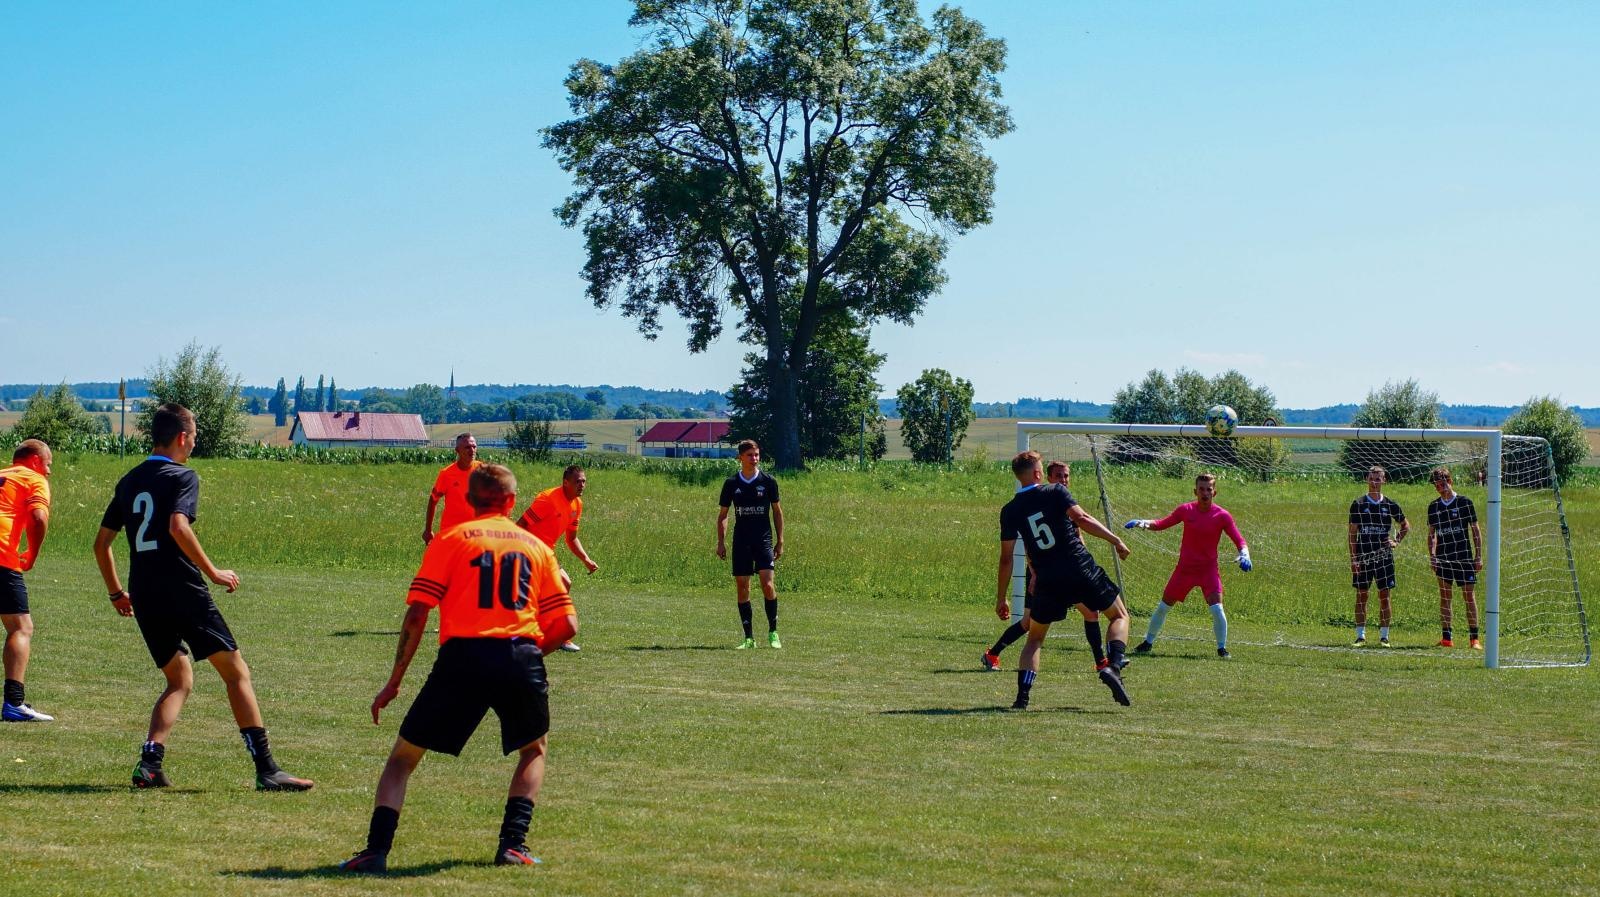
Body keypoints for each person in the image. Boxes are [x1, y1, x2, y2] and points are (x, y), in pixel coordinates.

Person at [339, 464, 576, 873]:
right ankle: (513, 846)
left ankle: (376, 850)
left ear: (468, 499)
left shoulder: (451, 540)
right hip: (520, 654)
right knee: (533, 750)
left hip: (462, 657)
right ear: (512, 501)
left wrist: (394, 682)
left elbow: (417, 616)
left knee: (402, 759)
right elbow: (567, 625)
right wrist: (530, 656)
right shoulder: (537, 548)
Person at [92, 403, 313, 791]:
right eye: (193, 437)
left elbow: (101, 544)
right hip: (182, 588)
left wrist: (115, 593)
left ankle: (150, 764)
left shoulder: (128, 480)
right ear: (181, 437)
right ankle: (267, 769)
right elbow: (178, 526)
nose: (193, 445)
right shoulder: (183, 476)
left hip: (144, 591)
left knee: (179, 680)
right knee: (236, 673)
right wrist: (213, 572)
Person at [996, 451, 1132, 710]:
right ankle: (1113, 666)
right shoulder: (1056, 492)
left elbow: (1006, 559)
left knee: (1035, 638)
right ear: (1039, 474)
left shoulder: (1010, 510)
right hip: (1079, 567)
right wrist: (1115, 540)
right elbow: (1082, 518)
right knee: (1119, 615)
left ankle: (1022, 698)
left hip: (1047, 578)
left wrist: (1001, 597)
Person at [1127, 473, 1251, 659]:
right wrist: (1142, 522)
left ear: (1214, 492)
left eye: (1208, 489)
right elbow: (1162, 524)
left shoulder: (1222, 516)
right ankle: (1148, 642)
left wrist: (1244, 554)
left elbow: (1239, 539)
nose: (1205, 493)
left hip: (1208, 571)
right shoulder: (1185, 510)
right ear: (1195, 491)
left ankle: (1222, 649)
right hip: (1184, 570)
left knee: (1217, 608)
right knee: (1163, 607)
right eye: (1201, 489)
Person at [516, 464, 597, 652]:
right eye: (578, 481)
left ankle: (553, 634)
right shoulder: (548, 499)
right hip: (530, 550)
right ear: (565, 482)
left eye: (584, 481)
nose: (582, 485)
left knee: (563, 584)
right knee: (557, 585)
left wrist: (585, 559)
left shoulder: (577, 505)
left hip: (547, 553)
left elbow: (571, 538)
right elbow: (520, 525)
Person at [1, 439, 54, 722]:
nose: (49, 472)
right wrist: (32, 554)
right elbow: (37, 518)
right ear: (35, 461)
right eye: (48, 464)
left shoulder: (3, 475)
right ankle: (13, 703)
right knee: (21, 627)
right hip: (1, 556)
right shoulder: (33, 478)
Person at [716, 440, 783, 649]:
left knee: (767, 584)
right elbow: (723, 515)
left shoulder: (769, 481)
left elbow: (777, 512)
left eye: (756, 455)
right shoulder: (731, 483)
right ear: (740, 458)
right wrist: (721, 542)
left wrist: (780, 541)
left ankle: (773, 632)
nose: (754, 459)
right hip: (741, 541)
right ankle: (749, 638)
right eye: (749, 455)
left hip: (763, 539)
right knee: (743, 588)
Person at [1345, 465, 1409, 648]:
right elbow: (1352, 534)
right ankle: (1360, 636)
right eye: (1371, 478)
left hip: (1384, 558)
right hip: (1363, 557)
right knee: (1362, 595)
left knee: (1384, 596)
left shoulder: (1390, 504)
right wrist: (1354, 559)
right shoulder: (1358, 504)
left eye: (1378, 478)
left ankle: (1384, 637)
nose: (1374, 482)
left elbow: (1406, 525)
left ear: (1384, 481)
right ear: (1367, 479)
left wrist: (1396, 541)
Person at [1427, 467, 1483, 649]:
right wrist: (1433, 556)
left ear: (1450, 481)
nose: (1440, 487)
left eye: (1443, 483)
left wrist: (1478, 556)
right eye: (1437, 485)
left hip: (1464, 557)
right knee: (1445, 597)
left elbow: (1475, 530)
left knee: (1469, 596)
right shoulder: (1433, 506)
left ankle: (1474, 639)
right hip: (1443, 558)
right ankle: (1447, 639)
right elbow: (1432, 534)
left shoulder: (1464, 502)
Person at [423, 433, 481, 544]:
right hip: (451, 532)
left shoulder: (483, 470)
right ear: (457, 450)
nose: (472, 450)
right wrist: (428, 530)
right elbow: (433, 500)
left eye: (474, 446)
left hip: (475, 532)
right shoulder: (446, 474)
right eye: (467, 447)